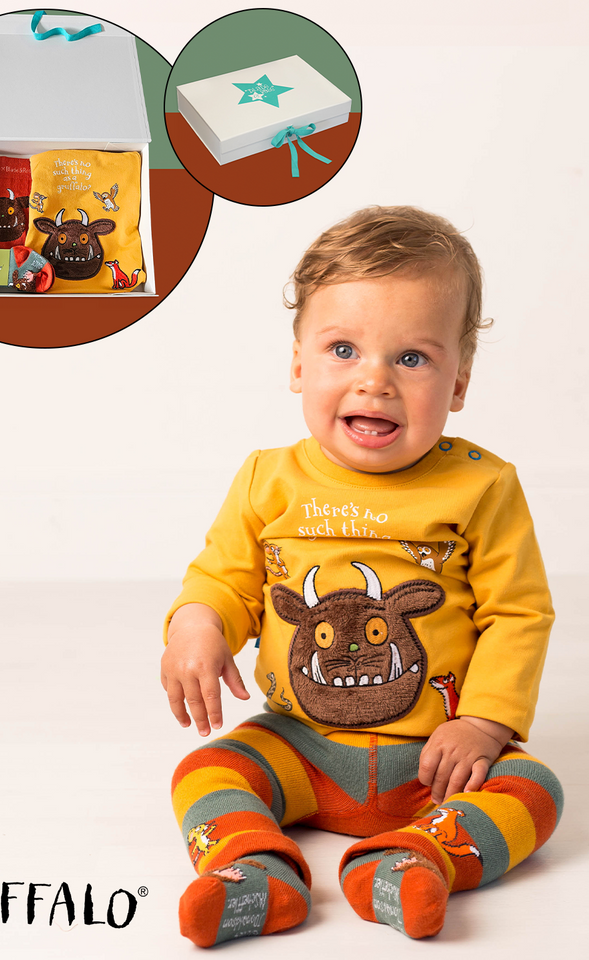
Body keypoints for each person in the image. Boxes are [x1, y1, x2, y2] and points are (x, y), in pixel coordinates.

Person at [160, 206, 562, 946]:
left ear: (459, 381)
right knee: (207, 770)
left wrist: (482, 724)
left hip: (435, 758)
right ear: (298, 365)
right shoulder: (267, 480)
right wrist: (197, 625)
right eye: (343, 349)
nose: (374, 382)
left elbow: (518, 613)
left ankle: (412, 858)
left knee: (535, 789)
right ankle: (254, 870)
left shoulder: (483, 486)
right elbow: (224, 579)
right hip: (299, 745)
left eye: (412, 358)